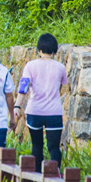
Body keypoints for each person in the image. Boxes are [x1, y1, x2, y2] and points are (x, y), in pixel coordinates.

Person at [13, 33, 68, 171]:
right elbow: (62, 86)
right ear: (55, 50)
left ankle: (37, 176)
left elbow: (23, 88)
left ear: (39, 50)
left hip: (34, 111)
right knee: (54, 147)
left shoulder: (30, 66)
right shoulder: (60, 67)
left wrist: (17, 105)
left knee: (36, 145)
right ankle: (55, 175)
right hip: (54, 112)